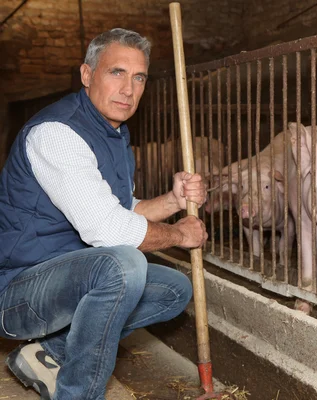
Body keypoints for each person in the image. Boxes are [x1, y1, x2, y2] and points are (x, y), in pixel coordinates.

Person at [0, 28, 208, 399]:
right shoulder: (58, 133)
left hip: (67, 277)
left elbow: (125, 209)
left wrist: (174, 201)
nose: (129, 89)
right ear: (86, 75)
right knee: (122, 266)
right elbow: (110, 230)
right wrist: (180, 235)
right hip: (18, 291)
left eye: (139, 77)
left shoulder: (114, 134)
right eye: (116, 73)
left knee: (174, 290)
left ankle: (48, 354)